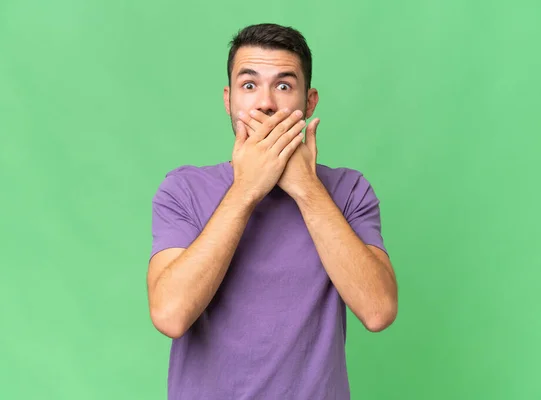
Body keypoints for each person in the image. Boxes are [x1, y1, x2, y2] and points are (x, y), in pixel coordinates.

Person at [146, 23, 398, 399]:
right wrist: (247, 189)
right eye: (249, 86)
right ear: (229, 99)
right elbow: (170, 315)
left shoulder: (348, 191)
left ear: (309, 102)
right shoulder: (183, 190)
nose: (265, 103)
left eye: (283, 85)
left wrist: (307, 189)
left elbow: (378, 311)